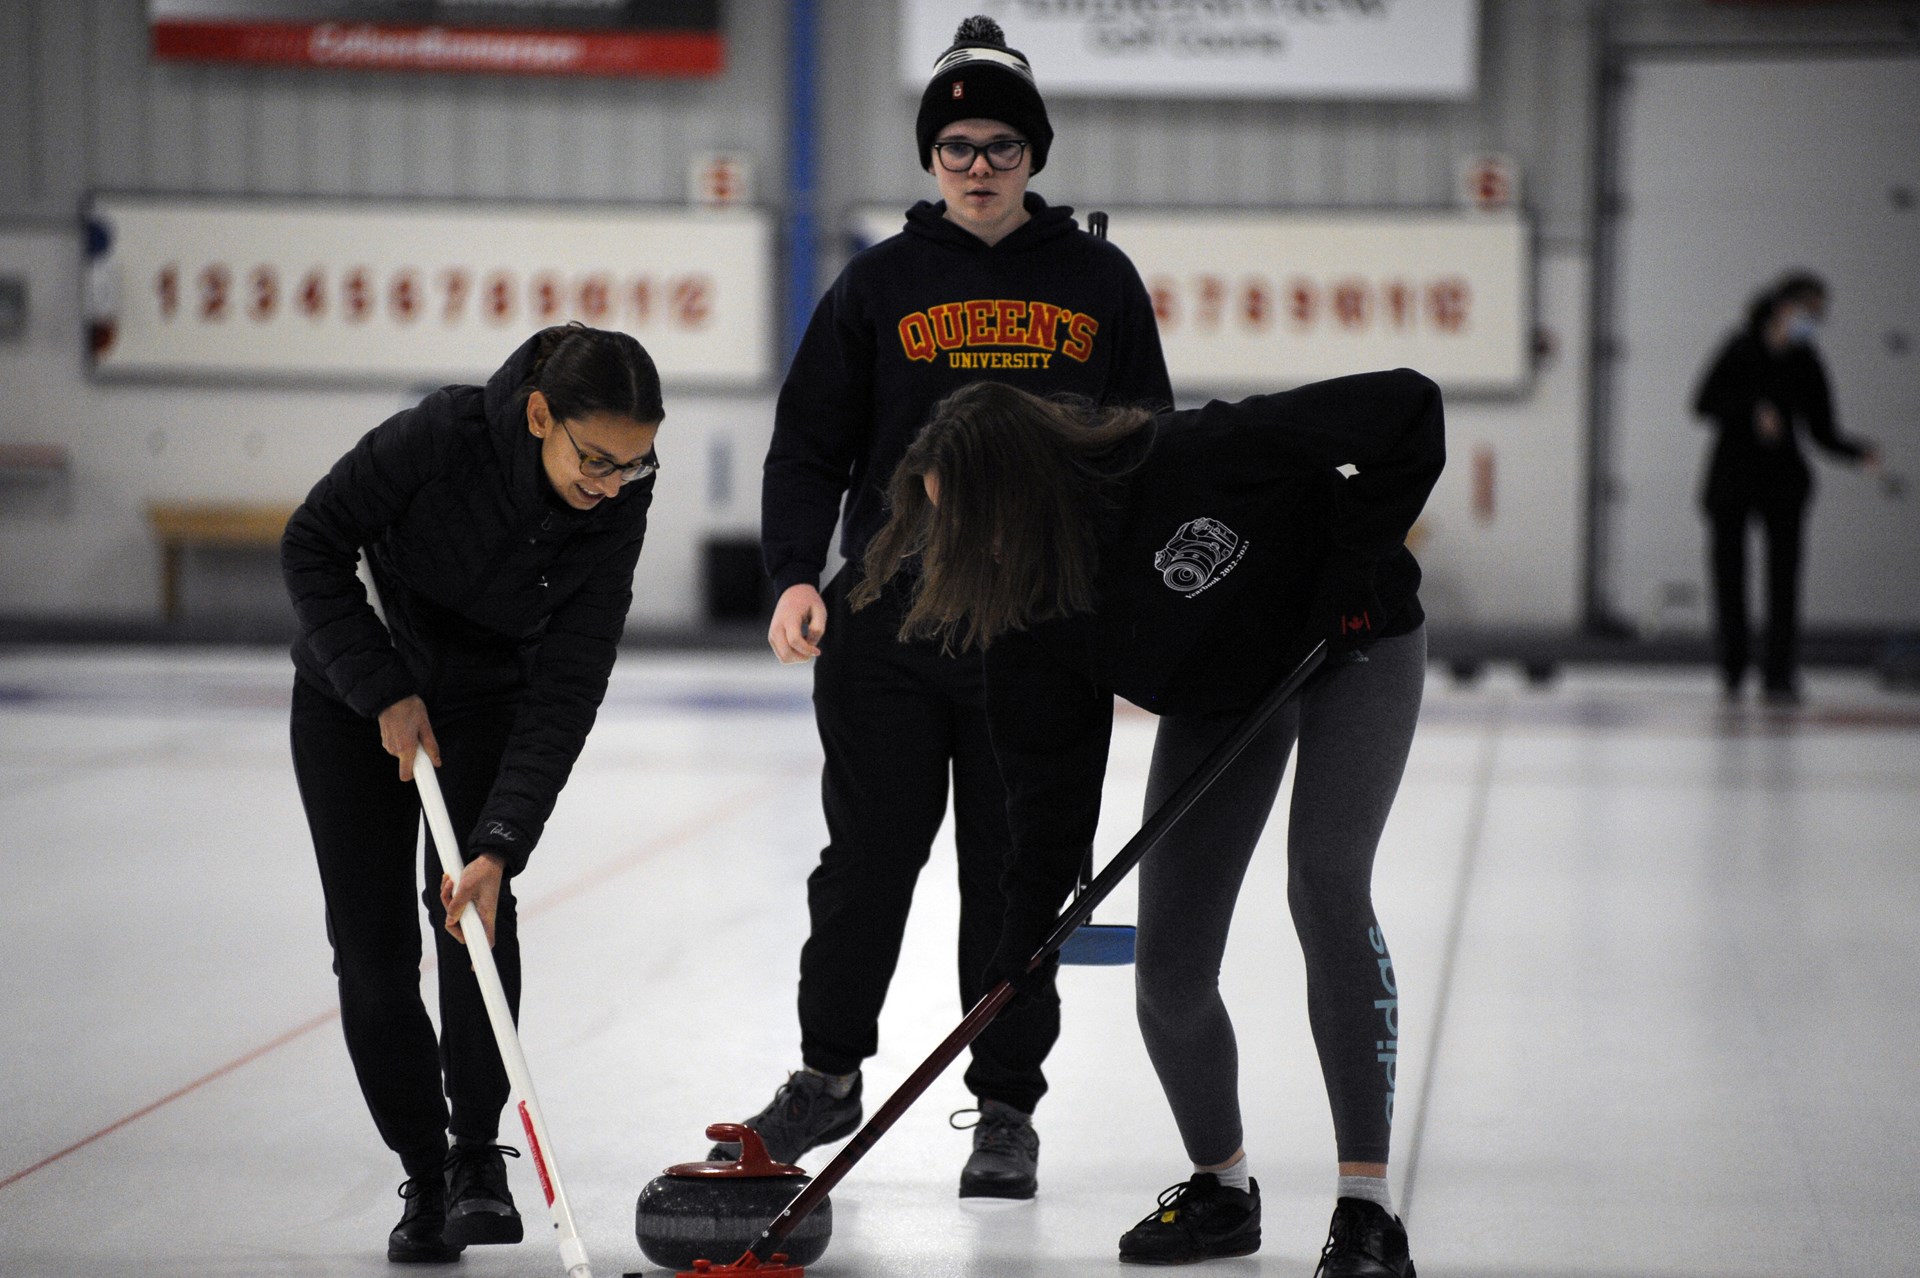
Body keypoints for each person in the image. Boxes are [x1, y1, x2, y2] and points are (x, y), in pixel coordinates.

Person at [855, 368, 1442, 1274]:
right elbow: (1045, 785)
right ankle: (1222, 1191)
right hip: (1220, 695)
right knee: (1168, 966)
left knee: (1324, 878)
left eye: (969, 516)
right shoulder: (1028, 607)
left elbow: (1409, 406)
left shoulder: (1190, 457)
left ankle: (1367, 1213)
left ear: (1025, 485)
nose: (958, 543)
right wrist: (1023, 942)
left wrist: (1356, 566)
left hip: (1352, 639)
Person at [728, 14, 1171, 1200]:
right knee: (866, 861)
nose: (980, 166)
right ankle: (828, 1075)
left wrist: (1138, 626)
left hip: (1045, 634)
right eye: (959, 145)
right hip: (889, 631)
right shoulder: (878, 283)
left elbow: (1150, 456)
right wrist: (790, 574)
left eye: (1003, 146)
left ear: (1036, 155)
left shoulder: (1100, 282)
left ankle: (1006, 1108)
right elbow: (805, 446)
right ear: (931, 157)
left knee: (1020, 875)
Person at [281, 323, 662, 1263]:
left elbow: (571, 678)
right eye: (597, 460)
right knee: (370, 953)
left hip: (492, 698)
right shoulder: (438, 438)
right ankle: (425, 1173)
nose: (612, 485)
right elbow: (311, 545)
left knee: (476, 914)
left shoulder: (616, 506)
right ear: (541, 416)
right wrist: (381, 687)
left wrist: (501, 841)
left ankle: (476, 1153)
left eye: (635, 467)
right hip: (350, 699)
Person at [1693, 271, 1878, 704]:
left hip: (1783, 481)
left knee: (1784, 580)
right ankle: (1734, 666)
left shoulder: (1807, 361)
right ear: (1783, 307)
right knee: (1730, 577)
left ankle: (1779, 672)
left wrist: (1858, 453)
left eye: (1818, 314)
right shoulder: (1740, 348)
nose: (1813, 320)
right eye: (1808, 311)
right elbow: (1703, 402)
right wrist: (1751, 412)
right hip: (1731, 478)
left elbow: (1822, 428)